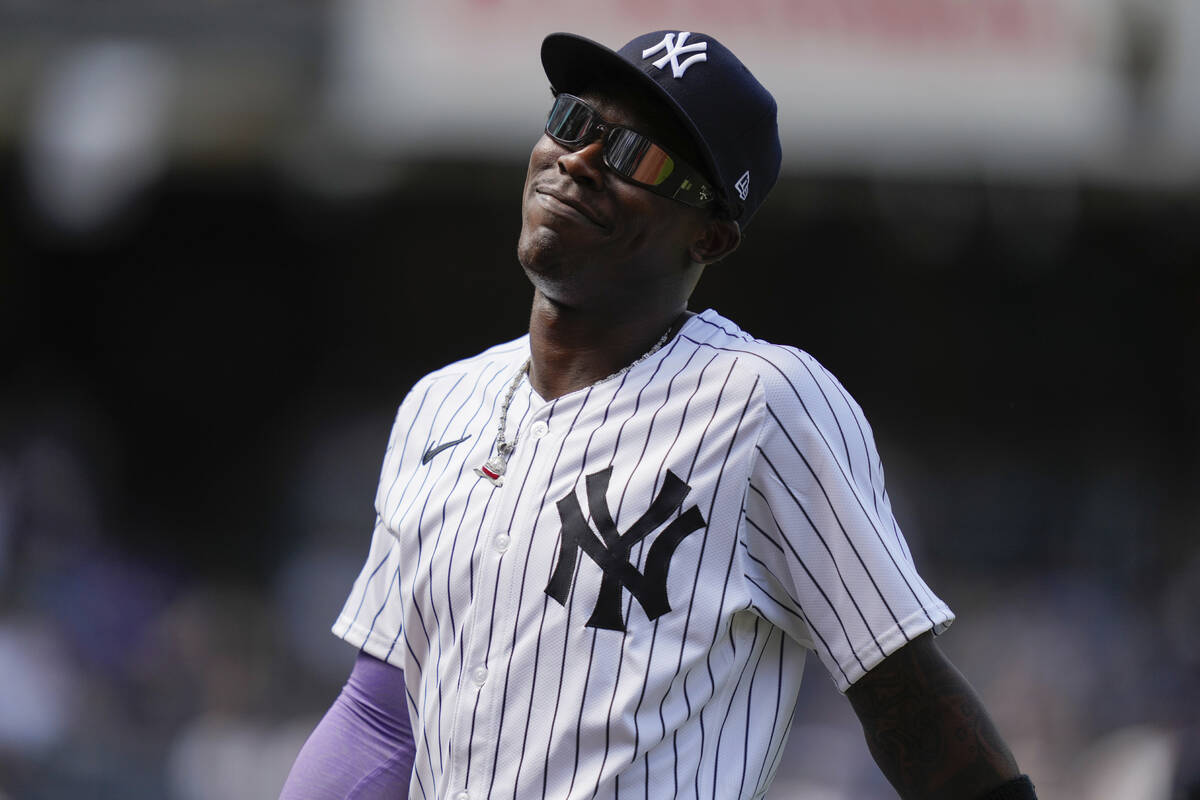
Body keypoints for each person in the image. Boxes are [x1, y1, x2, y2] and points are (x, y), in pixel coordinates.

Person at [281, 29, 1037, 800]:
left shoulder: (762, 403)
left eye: (636, 156)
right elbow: (381, 719)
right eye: (573, 121)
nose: (579, 160)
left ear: (709, 234)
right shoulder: (439, 404)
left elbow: (907, 703)